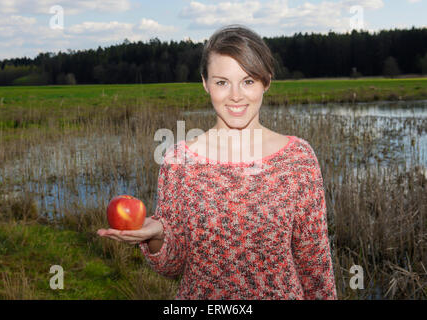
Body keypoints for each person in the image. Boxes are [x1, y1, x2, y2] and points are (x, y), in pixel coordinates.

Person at [97, 24, 337, 300]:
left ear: (266, 82)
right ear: (205, 83)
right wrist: (156, 235)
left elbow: (315, 264)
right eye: (222, 82)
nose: (236, 95)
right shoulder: (179, 161)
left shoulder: (298, 159)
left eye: (248, 81)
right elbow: (171, 266)